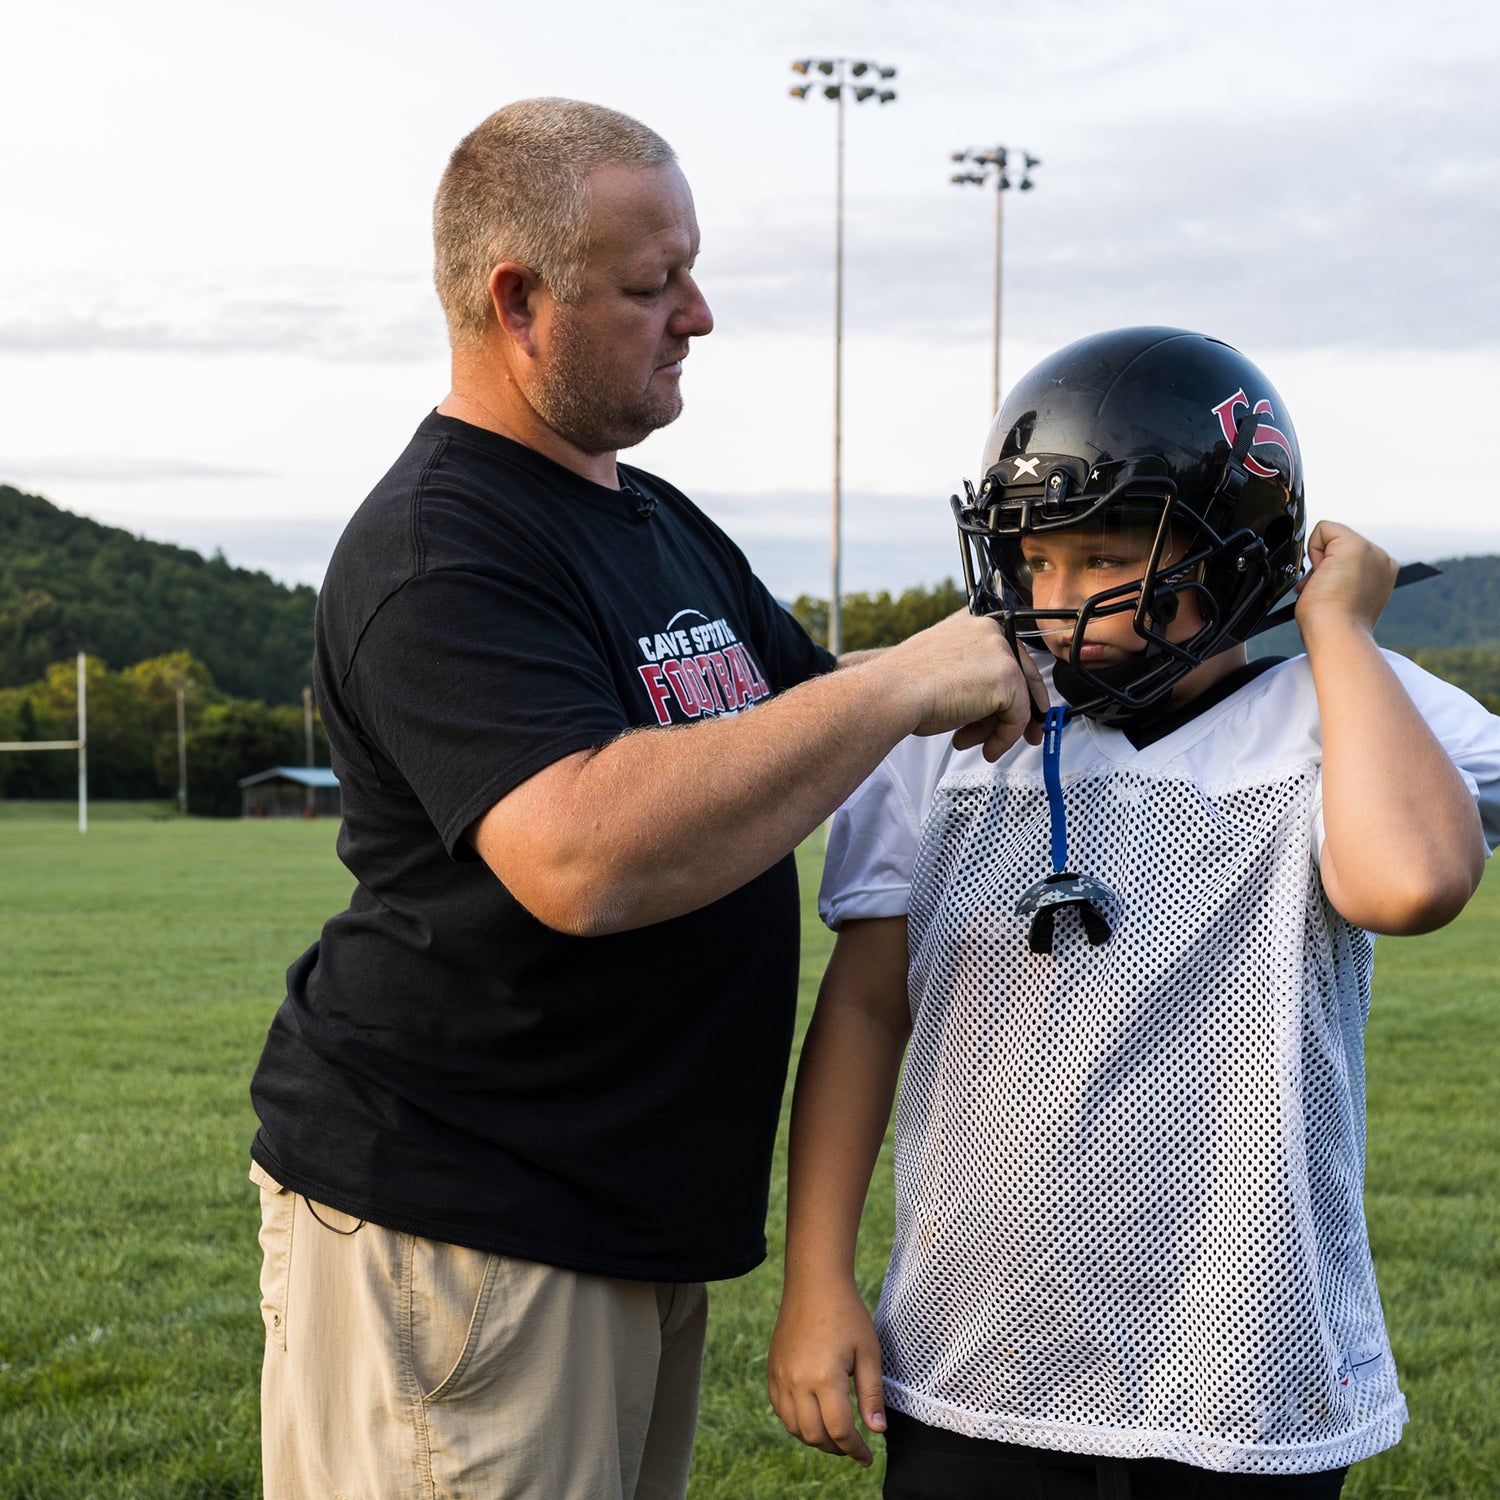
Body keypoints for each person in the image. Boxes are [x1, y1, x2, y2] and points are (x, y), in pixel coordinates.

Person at [246, 97, 1041, 1500]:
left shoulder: (654, 519)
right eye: (651, 283)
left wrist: (1050, 649)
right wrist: (909, 681)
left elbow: (810, 712)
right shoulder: (439, 547)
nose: (699, 314)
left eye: (692, 271)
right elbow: (581, 855)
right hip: (468, 1230)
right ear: (518, 302)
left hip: (615, 1219)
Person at [767, 326, 1500, 1499]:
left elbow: (1408, 882)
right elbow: (863, 1009)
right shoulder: (947, 731)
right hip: (978, 1355)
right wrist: (816, 1279)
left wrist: (1339, 630)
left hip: (1243, 1364)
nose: (1060, 605)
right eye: (1035, 561)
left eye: (1105, 556)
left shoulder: (1344, 702)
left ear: (1239, 551)